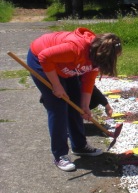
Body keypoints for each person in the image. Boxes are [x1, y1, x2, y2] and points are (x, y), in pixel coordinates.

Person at [27, 27, 122, 171]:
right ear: (102, 54)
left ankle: (79, 146)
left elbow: (88, 81)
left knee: (76, 103)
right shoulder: (75, 49)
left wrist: (84, 106)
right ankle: (59, 155)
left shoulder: (95, 57)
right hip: (41, 60)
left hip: (65, 64)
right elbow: (45, 57)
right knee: (58, 107)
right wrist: (57, 85)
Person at [40, 85, 114, 117]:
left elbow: (93, 90)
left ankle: (72, 117)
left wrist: (107, 107)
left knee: (92, 97)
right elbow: (94, 91)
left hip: (68, 94)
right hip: (53, 98)